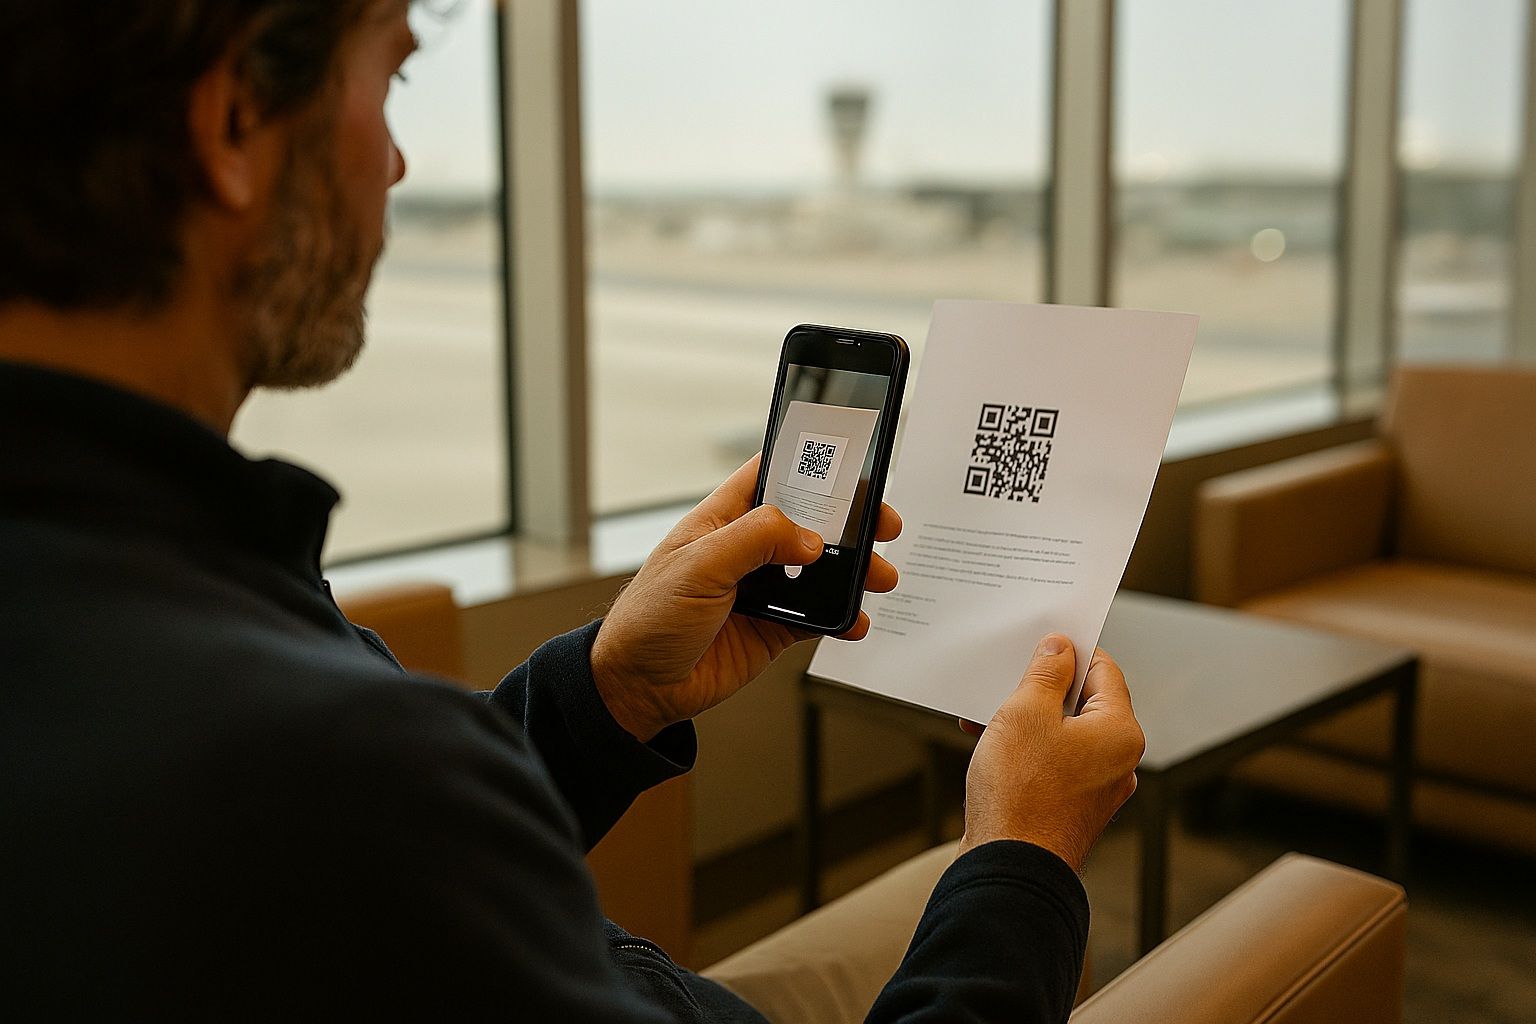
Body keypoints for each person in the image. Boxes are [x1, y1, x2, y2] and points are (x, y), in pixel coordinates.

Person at [0, 0, 1145, 1018]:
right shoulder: (308, 758)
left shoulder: (125, 615)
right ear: (236, 119)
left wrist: (610, 690)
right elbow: (373, 828)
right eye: (390, 75)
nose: (397, 163)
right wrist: (1024, 853)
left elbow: (402, 882)